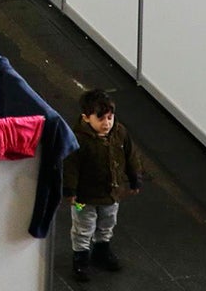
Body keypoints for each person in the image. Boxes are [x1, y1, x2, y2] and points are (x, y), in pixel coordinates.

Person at [66, 89, 140, 281]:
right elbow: (70, 166)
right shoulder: (78, 140)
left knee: (107, 223)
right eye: (101, 119)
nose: (107, 123)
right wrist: (70, 190)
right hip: (84, 196)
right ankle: (80, 259)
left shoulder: (119, 133)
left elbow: (130, 156)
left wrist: (134, 178)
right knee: (83, 226)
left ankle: (101, 251)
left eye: (110, 117)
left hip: (111, 193)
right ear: (86, 117)